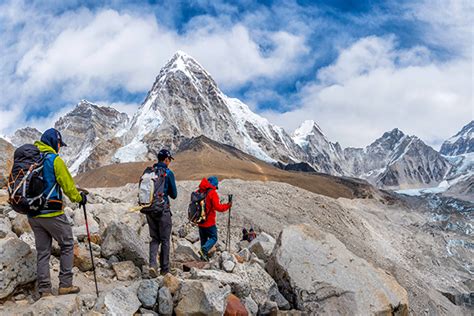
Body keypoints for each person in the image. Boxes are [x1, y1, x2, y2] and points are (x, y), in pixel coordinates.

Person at [29, 128, 87, 298]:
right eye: (60, 143)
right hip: (52, 212)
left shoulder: (30, 159)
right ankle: (65, 285)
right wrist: (79, 198)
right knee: (67, 243)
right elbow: (68, 187)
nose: (60, 147)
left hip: (33, 214)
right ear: (55, 142)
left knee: (43, 252)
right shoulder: (55, 160)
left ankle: (45, 290)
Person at [145, 149, 177, 276]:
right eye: (169, 160)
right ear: (166, 159)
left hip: (149, 208)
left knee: (154, 239)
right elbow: (174, 194)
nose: (169, 162)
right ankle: (165, 269)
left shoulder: (150, 172)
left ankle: (152, 265)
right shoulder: (168, 173)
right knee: (165, 239)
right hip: (163, 209)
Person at [197, 176, 232, 261]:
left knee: (204, 240)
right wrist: (228, 205)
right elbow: (218, 207)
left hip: (200, 220)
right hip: (209, 222)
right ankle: (204, 250)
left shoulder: (199, 191)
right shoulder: (212, 193)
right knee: (214, 238)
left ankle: (203, 257)